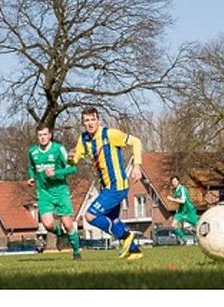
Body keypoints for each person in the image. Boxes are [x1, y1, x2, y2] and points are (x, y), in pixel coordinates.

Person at [71, 105, 144, 261]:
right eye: (86, 120)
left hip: (117, 186)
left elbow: (136, 142)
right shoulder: (83, 140)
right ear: (83, 123)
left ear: (98, 120)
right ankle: (135, 251)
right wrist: (70, 158)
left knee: (90, 216)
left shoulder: (110, 134)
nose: (90, 123)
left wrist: (137, 166)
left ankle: (125, 235)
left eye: (93, 120)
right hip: (105, 188)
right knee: (114, 220)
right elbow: (74, 161)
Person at [27, 124, 82, 260]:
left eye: (45, 134)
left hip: (60, 191)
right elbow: (31, 167)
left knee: (68, 224)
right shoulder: (32, 151)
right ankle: (59, 232)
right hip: (44, 192)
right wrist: (31, 177)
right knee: (47, 224)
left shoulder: (59, 149)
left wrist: (55, 173)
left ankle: (76, 252)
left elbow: (72, 169)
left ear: (50, 135)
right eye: (40, 135)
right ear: (37, 136)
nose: (43, 138)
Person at [166, 175, 198, 243]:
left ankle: (202, 237)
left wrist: (172, 199)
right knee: (173, 225)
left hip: (188, 209)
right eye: (172, 182)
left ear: (178, 181)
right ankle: (184, 239)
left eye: (175, 181)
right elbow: (178, 200)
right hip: (181, 210)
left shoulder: (182, 188)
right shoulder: (175, 190)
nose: (174, 183)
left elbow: (183, 201)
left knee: (197, 224)